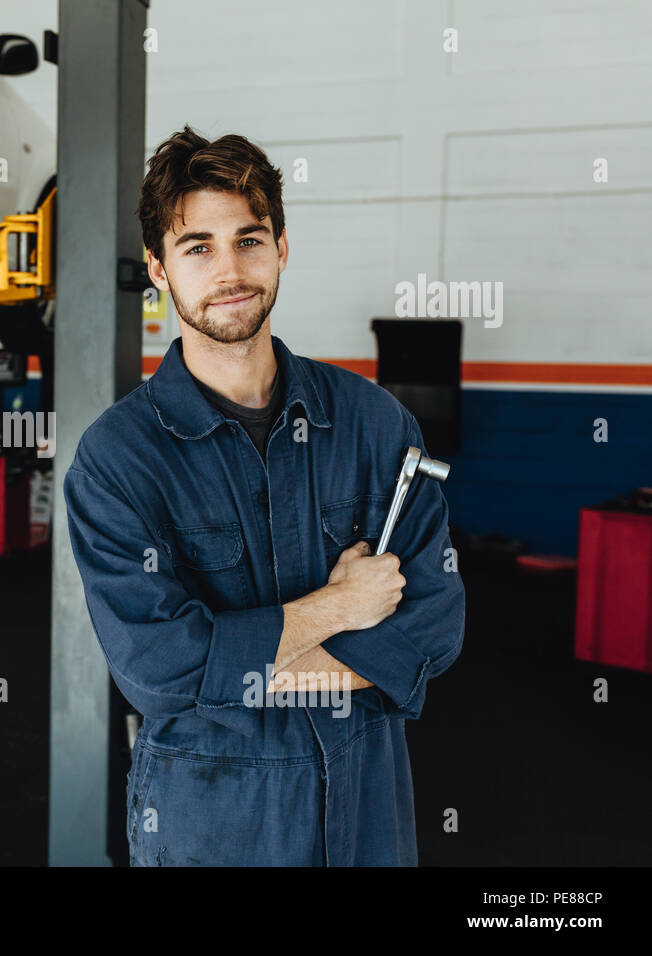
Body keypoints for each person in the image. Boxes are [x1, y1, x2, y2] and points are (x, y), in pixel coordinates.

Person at [63, 127, 465, 866]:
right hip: (213, 822)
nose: (230, 270)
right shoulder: (118, 460)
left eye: (250, 240)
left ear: (282, 247)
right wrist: (340, 610)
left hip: (368, 810)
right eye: (197, 248)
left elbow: (433, 627)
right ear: (158, 268)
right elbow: (161, 670)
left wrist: (233, 668)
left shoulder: (375, 423)